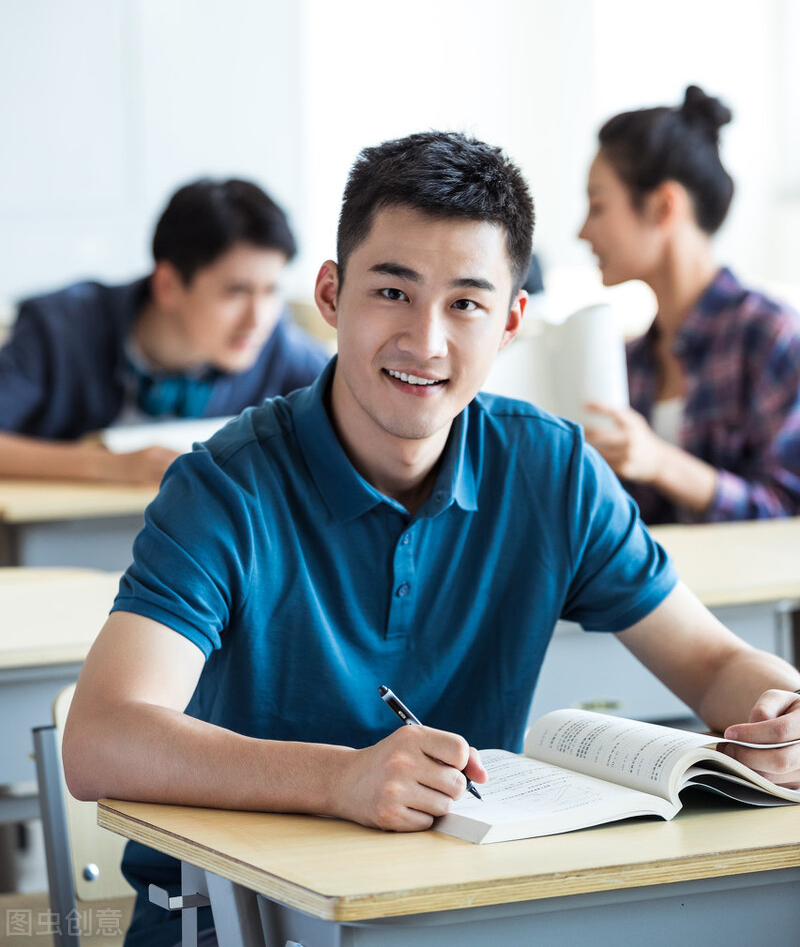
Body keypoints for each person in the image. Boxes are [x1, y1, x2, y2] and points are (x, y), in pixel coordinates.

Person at [63, 132, 800, 947]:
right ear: (332, 294)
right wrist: (341, 777)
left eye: (467, 304)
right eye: (392, 292)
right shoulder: (224, 486)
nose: (426, 341)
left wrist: (784, 710)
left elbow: (715, 663)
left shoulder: (550, 469)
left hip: (461, 911)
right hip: (234, 920)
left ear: (512, 321)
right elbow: (102, 740)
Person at [0, 178, 329, 484]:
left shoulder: (274, 344)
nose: (258, 318)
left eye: (272, 291)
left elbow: (355, 407)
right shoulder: (58, 327)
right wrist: (110, 465)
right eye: (236, 291)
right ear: (168, 285)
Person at [578, 85, 800, 524]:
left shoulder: (770, 336)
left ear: (663, 207)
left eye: (598, 206)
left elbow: (790, 512)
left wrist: (660, 462)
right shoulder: (631, 359)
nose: (583, 232)